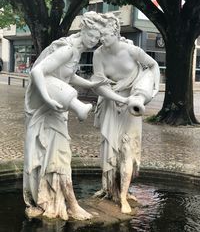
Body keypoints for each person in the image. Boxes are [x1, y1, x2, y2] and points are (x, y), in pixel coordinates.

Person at [23, 11, 106, 221]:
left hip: (57, 108)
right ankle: (70, 204)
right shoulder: (68, 49)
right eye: (93, 36)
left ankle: (58, 200)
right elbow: (37, 72)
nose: (95, 42)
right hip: (47, 108)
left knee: (59, 156)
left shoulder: (76, 51)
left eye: (98, 38)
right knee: (59, 155)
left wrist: (91, 84)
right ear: (84, 29)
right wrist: (47, 98)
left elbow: (68, 75)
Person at [92, 13, 160, 214]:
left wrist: (149, 91)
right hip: (112, 105)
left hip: (133, 107)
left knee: (127, 151)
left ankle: (123, 196)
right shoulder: (98, 54)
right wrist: (120, 99)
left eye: (104, 35)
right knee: (110, 150)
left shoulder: (132, 51)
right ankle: (109, 189)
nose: (101, 39)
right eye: (99, 35)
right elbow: (98, 85)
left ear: (115, 32)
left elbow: (153, 66)